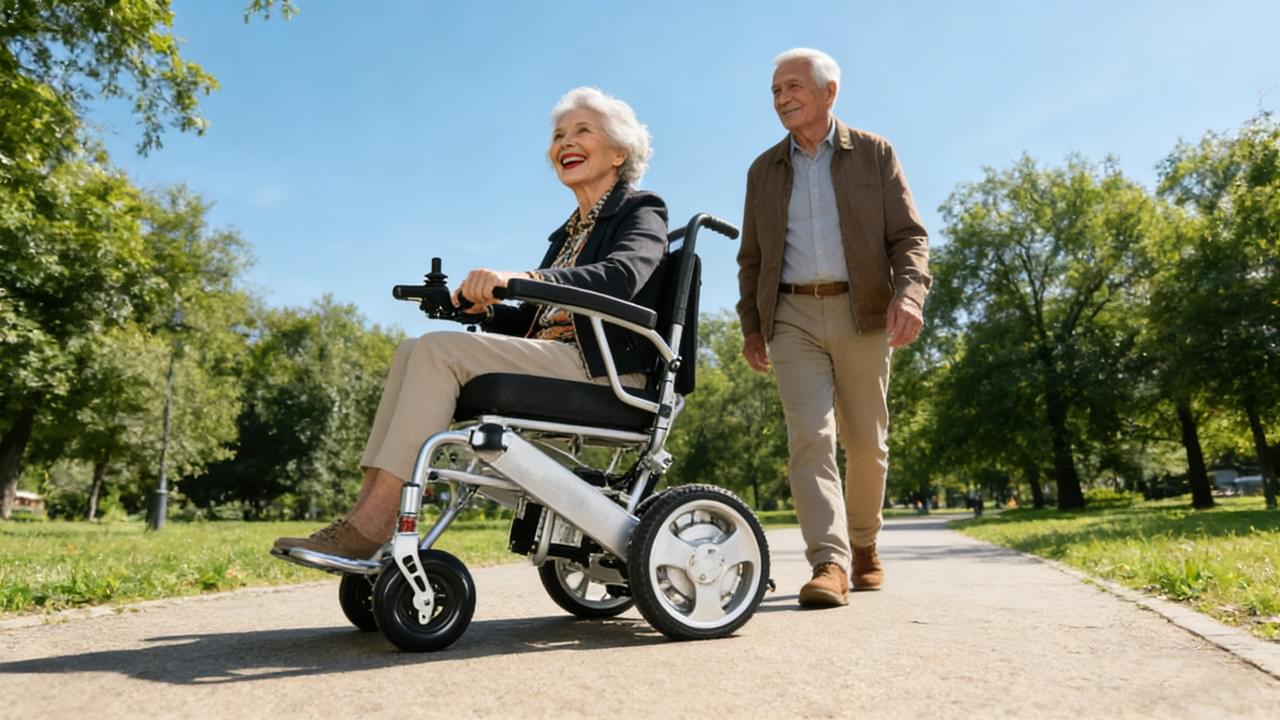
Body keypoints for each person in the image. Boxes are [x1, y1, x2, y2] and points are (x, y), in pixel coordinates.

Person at [274, 87, 668, 561]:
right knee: (413, 349)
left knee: (437, 350)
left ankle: (372, 525)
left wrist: (523, 279)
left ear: (619, 152)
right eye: (558, 135)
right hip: (560, 359)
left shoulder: (641, 209)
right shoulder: (568, 235)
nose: (565, 142)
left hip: (607, 371)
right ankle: (363, 516)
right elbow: (533, 323)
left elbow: (621, 277)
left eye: (582, 131)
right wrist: (482, 310)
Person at [735, 49, 930, 607]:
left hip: (863, 311)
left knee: (867, 443)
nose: (782, 99)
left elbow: (909, 237)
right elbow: (752, 258)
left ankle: (865, 543)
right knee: (810, 437)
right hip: (791, 316)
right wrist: (753, 325)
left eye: (793, 86)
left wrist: (909, 294)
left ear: (829, 92)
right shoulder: (763, 170)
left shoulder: (874, 153)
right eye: (776, 91)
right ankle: (829, 561)